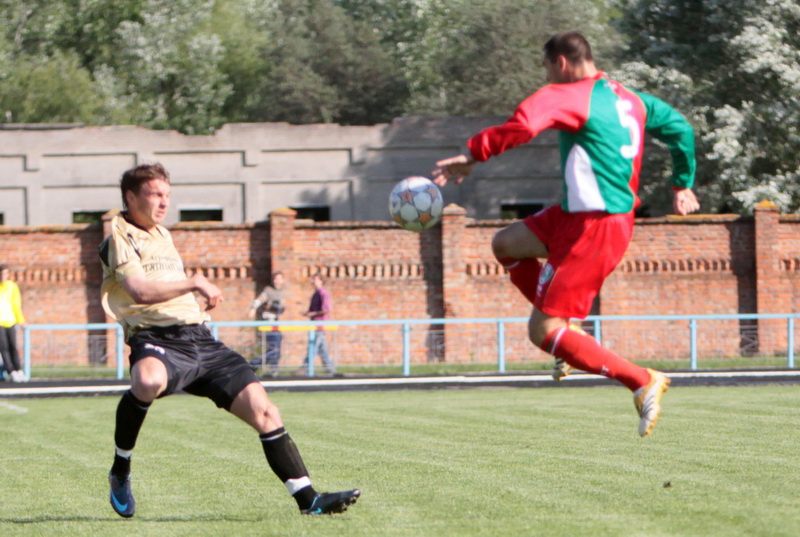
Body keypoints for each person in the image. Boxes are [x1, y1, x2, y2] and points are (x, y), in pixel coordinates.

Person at [432, 31, 700, 437]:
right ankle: (568, 331)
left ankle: (641, 379)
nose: (547, 77)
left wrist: (474, 153)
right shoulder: (632, 98)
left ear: (560, 62)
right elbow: (680, 128)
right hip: (576, 215)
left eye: (546, 68)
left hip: (595, 224)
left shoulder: (571, 94)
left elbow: (524, 124)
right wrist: (682, 183)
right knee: (505, 244)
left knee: (542, 331)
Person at [99, 163, 359, 518]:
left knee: (265, 411)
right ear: (131, 197)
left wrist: (193, 299)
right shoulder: (119, 237)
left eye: (167, 195)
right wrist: (195, 282)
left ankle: (309, 501)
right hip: (157, 339)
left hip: (199, 337)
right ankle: (121, 468)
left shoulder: (162, 233)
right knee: (147, 380)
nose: (164, 202)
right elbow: (139, 291)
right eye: (155, 194)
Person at [247, 271, 287, 373]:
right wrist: (252, 309)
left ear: (283, 280)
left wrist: (277, 307)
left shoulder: (282, 292)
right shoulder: (269, 290)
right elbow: (259, 300)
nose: (276, 281)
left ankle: (269, 368)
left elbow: (281, 309)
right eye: (275, 279)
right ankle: (254, 364)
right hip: (268, 324)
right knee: (274, 349)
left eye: (279, 279)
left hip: (275, 324)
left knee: (276, 350)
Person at [299, 273, 335, 375]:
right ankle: (330, 370)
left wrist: (312, 314)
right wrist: (307, 313)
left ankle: (305, 369)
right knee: (322, 349)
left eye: (314, 279)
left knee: (313, 346)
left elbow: (326, 310)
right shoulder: (315, 293)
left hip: (319, 325)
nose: (312, 281)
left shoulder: (323, 293)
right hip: (314, 324)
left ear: (321, 281)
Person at [0, 264, 28, 383]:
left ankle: (18, 369)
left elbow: (16, 305)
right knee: (4, 347)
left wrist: (21, 320)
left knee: (13, 346)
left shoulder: (12, 287)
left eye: (5, 273)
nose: (3, 276)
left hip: (10, 321)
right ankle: (11, 371)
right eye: (1, 273)